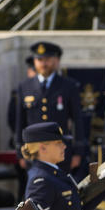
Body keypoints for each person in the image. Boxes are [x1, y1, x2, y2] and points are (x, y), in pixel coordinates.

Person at [14, 42, 87, 176]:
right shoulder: (24, 86)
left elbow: (77, 119)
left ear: (56, 60)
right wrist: (19, 151)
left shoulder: (68, 86)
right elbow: (20, 121)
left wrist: (78, 151)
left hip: (60, 151)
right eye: (39, 59)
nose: (43, 63)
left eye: (47, 59)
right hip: (34, 151)